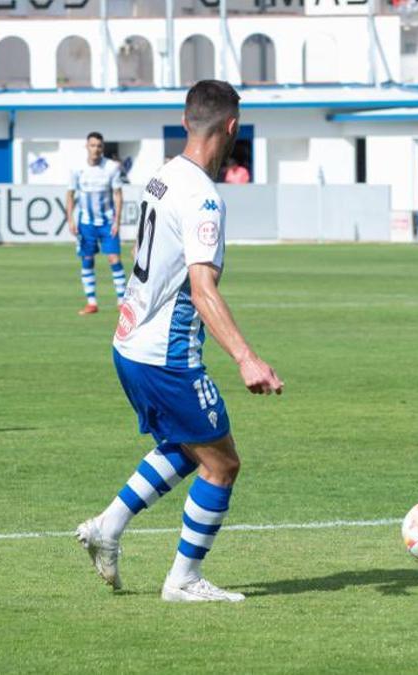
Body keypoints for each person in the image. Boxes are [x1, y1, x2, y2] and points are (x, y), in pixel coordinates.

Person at [75, 80, 284, 603]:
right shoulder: (204, 199)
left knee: (189, 449)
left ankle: (107, 526)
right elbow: (201, 286)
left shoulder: (163, 175)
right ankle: (183, 580)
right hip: (165, 357)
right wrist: (246, 357)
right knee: (222, 462)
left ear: (186, 120)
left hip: (128, 343)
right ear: (232, 128)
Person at [66, 132, 125, 315]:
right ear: (87, 146)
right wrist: (70, 219)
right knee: (87, 259)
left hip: (107, 221)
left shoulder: (111, 168)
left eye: (99, 146)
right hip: (86, 223)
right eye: (93, 145)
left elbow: (117, 194)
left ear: (103, 148)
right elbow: (70, 195)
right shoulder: (77, 169)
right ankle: (92, 303)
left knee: (114, 258)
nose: (96, 149)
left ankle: (122, 301)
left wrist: (117, 220)